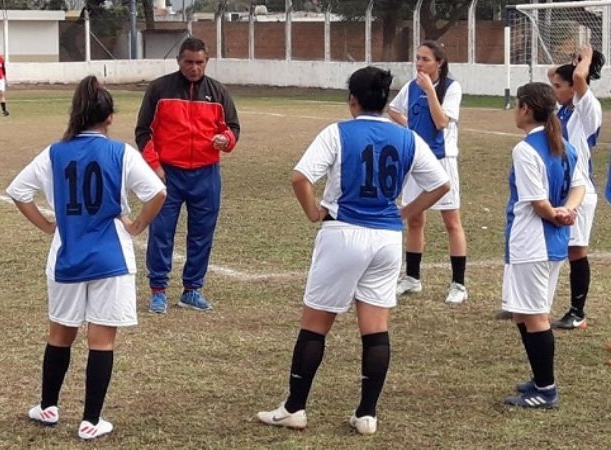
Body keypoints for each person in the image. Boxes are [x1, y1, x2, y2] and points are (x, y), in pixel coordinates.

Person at [256, 67, 450, 435]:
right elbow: (441, 184)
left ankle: (295, 407)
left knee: (315, 325)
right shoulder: (407, 137)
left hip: (344, 234)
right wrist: (405, 212)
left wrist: (314, 211)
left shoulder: (338, 132)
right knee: (375, 328)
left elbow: (300, 177)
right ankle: (366, 414)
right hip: (387, 240)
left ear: (353, 101)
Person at [7, 76, 166, 441]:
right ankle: (91, 420)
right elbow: (157, 191)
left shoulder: (54, 152)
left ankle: (48, 406)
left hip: (67, 257)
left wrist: (48, 226)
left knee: (60, 334)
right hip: (111, 257)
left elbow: (18, 191)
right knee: (101, 340)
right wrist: (138, 224)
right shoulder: (121, 152)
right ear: (109, 117)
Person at [135, 37, 240, 314]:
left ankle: (192, 290)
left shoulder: (218, 92)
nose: (194, 68)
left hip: (206, 174)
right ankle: (158, 291)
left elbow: (233, 128)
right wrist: (156, 168)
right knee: (161, 233)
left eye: (200, 63)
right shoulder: (159, 89)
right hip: (168, 174)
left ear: (207, 62)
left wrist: (225, 139)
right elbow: (143, 131)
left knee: (202, 234)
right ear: (179, 61)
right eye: (189, 62)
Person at [501, 82, 585, 408]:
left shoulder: (526, 150)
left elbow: (537, 203)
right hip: (552, 241)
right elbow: (579, 187)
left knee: (535, 316)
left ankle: (546, 389)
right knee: (524, 313)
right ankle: (539, 378)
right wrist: (567, 212)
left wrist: (555, 214)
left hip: (533, 241)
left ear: (525, 109)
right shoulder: (563, 144)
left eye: (517, 105)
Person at [388, 40, 468, 305]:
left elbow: (442, 121)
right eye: (418, 58)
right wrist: (409, 125)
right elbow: (393, 110)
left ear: (439, 62)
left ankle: (458, 284)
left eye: (425, 59)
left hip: (442, 160)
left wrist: (430, 92)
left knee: (451, 221)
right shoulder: (411, 87)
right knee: (414, 219)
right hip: (415, 161)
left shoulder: (450, 87)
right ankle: (412, 278)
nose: (419, 63)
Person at [546, 46, 604, 330]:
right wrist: (572, 64)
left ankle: (578, 312)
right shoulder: (564, 108)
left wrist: (587, 60)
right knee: (556, 247)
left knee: (576, 252)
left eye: (558, 86)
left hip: (581, 191)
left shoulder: (587, 108)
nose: (553, 90)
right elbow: (551, 73)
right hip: (561, 189)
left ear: (574, 87)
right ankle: (536, 303)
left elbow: (580, 80)